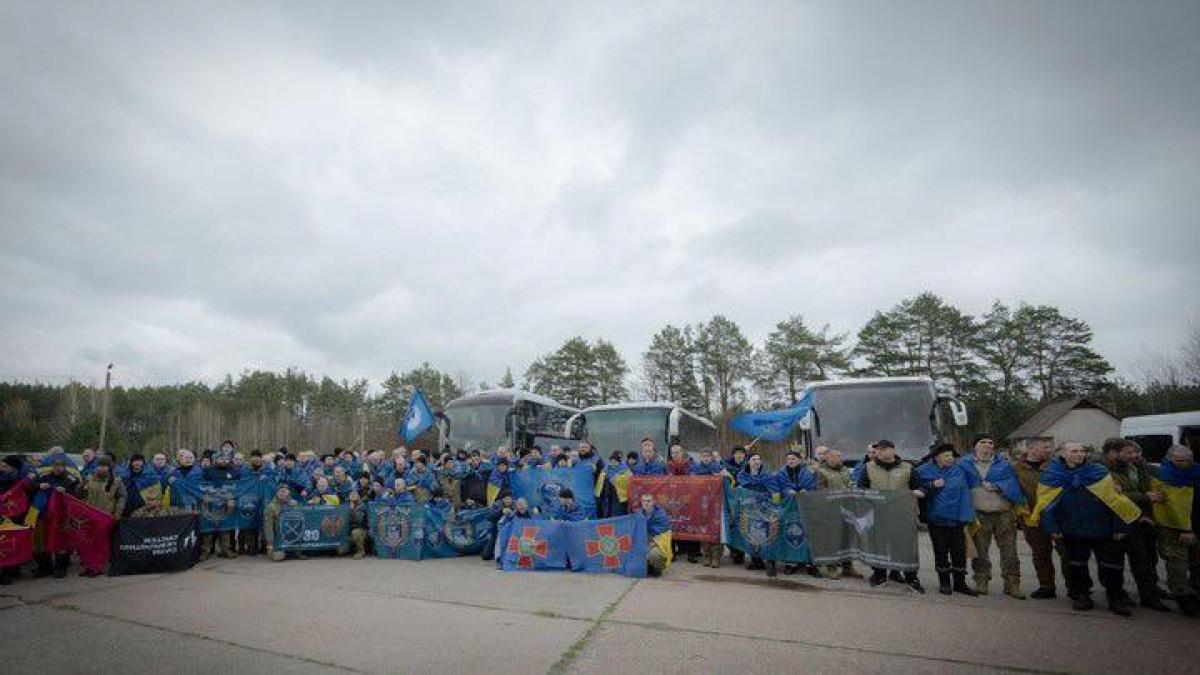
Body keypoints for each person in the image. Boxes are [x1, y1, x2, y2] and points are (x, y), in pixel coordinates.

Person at [1031, 442, 1141, 616]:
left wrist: (1121, 526)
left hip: (1103, 528)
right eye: (1074, 451)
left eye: (1082, 451)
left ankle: (1115, 598)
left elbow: (1115, 501)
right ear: (1063, 454)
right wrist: (1052, 528)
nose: (1080, 454)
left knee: (1111, 566)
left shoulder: (1098, 472)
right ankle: (1082, 595)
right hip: (1072, 529)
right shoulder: (1051, 475)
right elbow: (1046, 504)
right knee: (1077, 566)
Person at [1102, 438, 1170, 611]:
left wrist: (1146, 510)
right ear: (1112, 453)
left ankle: (1149, 594)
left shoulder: (1136, 466)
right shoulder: (1102, 470)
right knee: (1115, 562)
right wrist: (1146, 497)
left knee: (1145, 560)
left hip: (1141, 519)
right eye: (1128, 452)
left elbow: (1143, 488)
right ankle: (1117, 595)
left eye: (1134, 452)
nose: (1134, 455)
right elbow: (1114, 496)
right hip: (1116, 521)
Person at [960, 433, 1027, 598]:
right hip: (979, 514)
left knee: (1009, 551)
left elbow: (1013, 485)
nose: (987, 445)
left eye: (990, 442)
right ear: (975, 446)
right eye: (983, 442)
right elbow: (958, 486)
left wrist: (998, 485)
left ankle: (1012, 584)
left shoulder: (1004, 465)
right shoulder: (964, 464)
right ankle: (981, 581)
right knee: (980, 551)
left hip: (1004, 513)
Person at [856, 440, 925, 593]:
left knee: (905, 546)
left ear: (893, 450)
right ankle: (879, 574)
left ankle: (911, 577)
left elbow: (920, 486)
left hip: (902, 515)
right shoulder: (868, 468)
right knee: (879, 545)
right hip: (878, 514)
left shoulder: (908, 468)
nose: (879, 452)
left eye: (883, 449)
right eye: (877, 450)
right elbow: (861, 488)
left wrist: (920, 491)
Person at [916, 445, 979, 596]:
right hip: (937, 520)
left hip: (957, 519)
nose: (950, 459)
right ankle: (944, 583)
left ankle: (960, 583)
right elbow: (915, 488)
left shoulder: (959, 470)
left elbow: (972, 482)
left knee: (959, 552)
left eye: (951, 456)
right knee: (941, 552)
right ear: (936, 457)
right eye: (946, 456)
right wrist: (932, 485)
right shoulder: (923, 471)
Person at [1013, 439, 1067, 599]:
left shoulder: (1057, 465)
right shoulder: (1016, 468)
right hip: (1031, 517)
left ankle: (1075, 587)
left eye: (1050, 447)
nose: (1049, 450)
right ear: (1031, 448)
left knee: (1066, 552)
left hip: (1058, 516)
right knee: (1040, 553)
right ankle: (1046, 586)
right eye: (1045, 447)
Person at [1152, 444, 1200, 616]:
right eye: (1180, 460)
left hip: (1195, 524)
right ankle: (1183, 596)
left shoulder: (1198, 473)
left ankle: (1195, 591)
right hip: (1171, 526)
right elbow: (1164, 505)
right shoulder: (1160, 476)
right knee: (1177, 564)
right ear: (1169, 458)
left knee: (1197, 562)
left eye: (1189, 460)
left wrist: (1192, 529)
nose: (1186, 464)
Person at [811, 449, 862, 579]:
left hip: (847, 509)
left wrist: (852, 488)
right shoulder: (821, 472)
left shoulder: (845, 470)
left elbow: (850, 484)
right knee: (832, 540)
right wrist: (838, 493)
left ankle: (848, 567)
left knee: (847, 539)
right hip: (830, 510)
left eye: (840, 456)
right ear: (829, 458)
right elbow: (820, 491)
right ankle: (831, 567)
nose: (841, 458)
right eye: (838, 456)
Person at [33, 456, 83, 578]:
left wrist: (66, 491)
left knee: (61, 541)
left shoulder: (71, 479)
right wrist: (39, 486)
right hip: (43, 514)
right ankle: (45, 568)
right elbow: (32, 486)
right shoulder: (44, 476)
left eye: (60, 466)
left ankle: (61, 568)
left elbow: (77, 495)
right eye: (55, 466)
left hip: (62, 515)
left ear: (64, 467)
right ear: (52, 467)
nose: (57, 468)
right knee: (42, 541)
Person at [737, 452, 783, 577]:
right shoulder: (742, 475)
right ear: (748, 462)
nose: (757, 461)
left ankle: (770, 562)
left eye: (759, 459)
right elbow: (744, 486)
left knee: (768, 535)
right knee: (751, 533)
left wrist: (775, 507)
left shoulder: (767, 476)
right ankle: (756, 561)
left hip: (766, 510)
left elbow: (775, 491)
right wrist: (759, 486)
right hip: (749, 510)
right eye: (753, 459)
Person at [776, 450, 819, 575]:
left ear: (799, 460)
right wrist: (787, 491)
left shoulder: (808, 473)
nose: (791, 461)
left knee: (807, 534)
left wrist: (806, 491)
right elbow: (779, 487)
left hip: (805, 508)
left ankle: (810, 563)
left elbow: (813, 487)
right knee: (791, 533)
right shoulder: (781, 473)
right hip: (790, 508)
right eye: (788, 459)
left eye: (793, 459)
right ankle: (790, 563)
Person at [263, 484, 302, 562]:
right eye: (280, 491)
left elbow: (301, 520)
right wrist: (269, 544)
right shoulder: (271, 507)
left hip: (293, 539)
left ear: (288, 492)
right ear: (276, 493)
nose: (282, 493)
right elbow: (268, 527)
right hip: (278, 540)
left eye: (284, 491)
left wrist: (296, 505)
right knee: (278, 557)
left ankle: (292, 551)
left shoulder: (294, 504)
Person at [639, 494, 672, 577]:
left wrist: (649, 545)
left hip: (658, 542)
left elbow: (662, 534)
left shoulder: (661, 515)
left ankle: (657, 570)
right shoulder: (638, 515)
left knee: (654, 554)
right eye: (643, 501)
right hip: (644, 541)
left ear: (653, 502)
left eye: (648, 501)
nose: (645, 503)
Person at [342, 490, 368, 559]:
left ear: (359, 496)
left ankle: (360, 551)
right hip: (348, 530)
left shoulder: (362, 506)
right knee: (340, 551)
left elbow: (359, 521)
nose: (352, 496)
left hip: (361, 529)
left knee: (356, 533)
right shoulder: (345, 505)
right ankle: (350, 549)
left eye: (354, 494)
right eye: (351, 494)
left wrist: (352, 510)